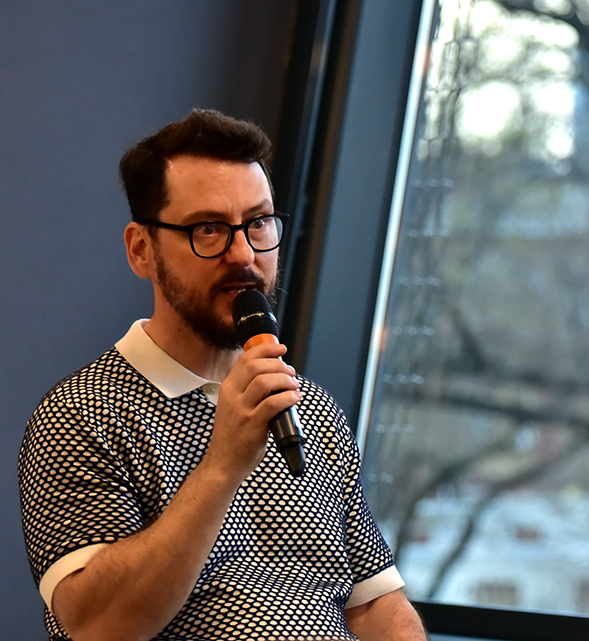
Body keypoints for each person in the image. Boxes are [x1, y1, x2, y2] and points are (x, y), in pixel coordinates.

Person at [19, 109, 428, 641]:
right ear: (141, 250)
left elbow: (373, 606)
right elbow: (99, 625)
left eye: (258, 222)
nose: (243, 253)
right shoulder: (80, 413)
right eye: (208, 229)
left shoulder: (310, 409)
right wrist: (222, 465)